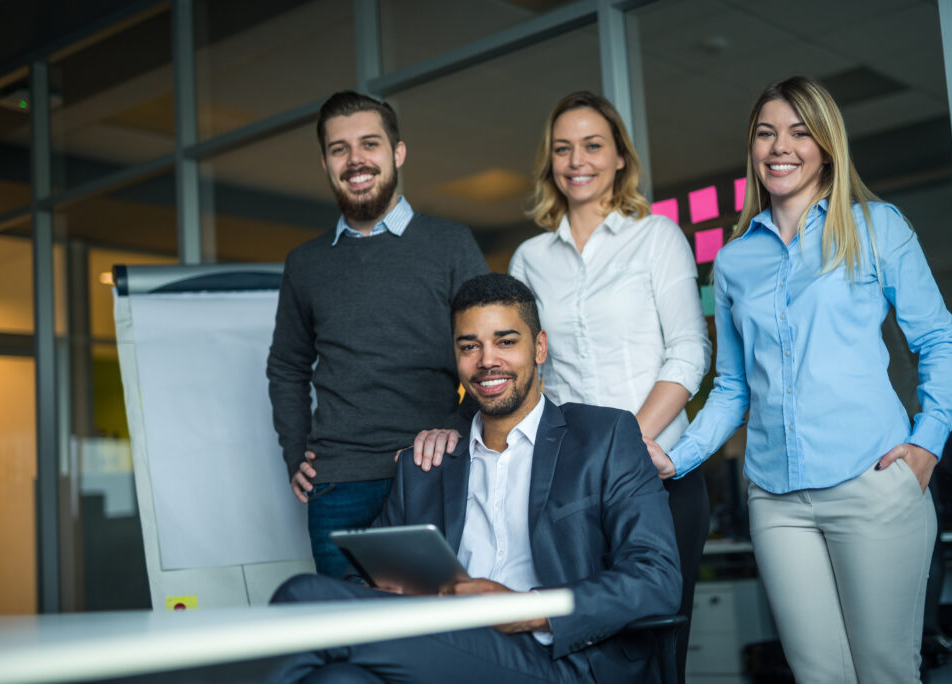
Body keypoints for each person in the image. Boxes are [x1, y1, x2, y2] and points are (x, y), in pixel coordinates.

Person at [645, 76, 952, 683]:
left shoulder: (875, 227)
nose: (780, 148)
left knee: (885, 671)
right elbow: (734, 389)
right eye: (766, 134)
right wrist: (676, 457)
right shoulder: (734, 260)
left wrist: (927, 444)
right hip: (776, 500)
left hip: (872, 483)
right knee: (818, 676)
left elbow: (939, 342)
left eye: (799, 133)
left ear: (825, 145)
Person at [413, 91, 712, 677]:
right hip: (566, 480)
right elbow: (521, 366)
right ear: (549, 162)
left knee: (658, 648)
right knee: (577, 636)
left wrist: (623, 447)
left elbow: (689, 351)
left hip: (661, 469)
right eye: (563, 148)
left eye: (593, 145)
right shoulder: (530, 257)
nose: (578, 161)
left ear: (620, 157)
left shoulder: (657, 237)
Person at [268, 273, 682, 684]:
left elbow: (657, 579)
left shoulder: (604, 437)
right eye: (470, 346)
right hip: (447, 649)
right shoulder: (425, 467)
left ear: (539, 347)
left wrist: (525, 611)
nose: (487, 361)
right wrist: (384, 595)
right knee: (338, 678)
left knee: (302, 595)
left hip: (562, 660)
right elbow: (360, 579)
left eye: (506, 342)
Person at [266, 90, 488, 578]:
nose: (355, 159)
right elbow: (286, 366)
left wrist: (458, 426)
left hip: (432, 471)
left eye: (369, 143)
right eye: (339, 149)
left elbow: (487, 348)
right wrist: (294, 450)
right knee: (346, 620)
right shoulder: (305, 264)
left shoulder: (451, 244)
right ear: (325, 163)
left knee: (435, 618)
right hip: (336, 484)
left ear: (398, 152)